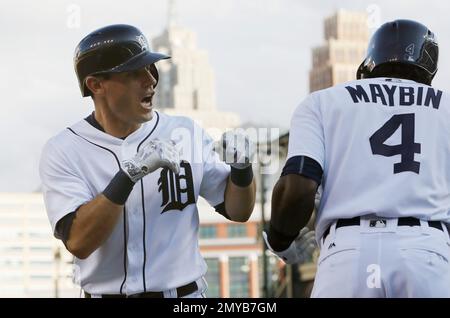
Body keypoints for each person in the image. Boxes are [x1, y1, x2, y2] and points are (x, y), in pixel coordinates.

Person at [39, 24, 256, 298]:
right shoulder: (64, 149)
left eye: (150, 69)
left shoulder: (184, 131)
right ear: (96, 84)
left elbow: (238, 210)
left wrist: (243, 170)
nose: (150, 80)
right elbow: (79, 242)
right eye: (133, 73)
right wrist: (128, 175)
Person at [263, 19, 450, 297]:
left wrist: (280, 239)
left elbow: (299, 188)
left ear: (370, 59)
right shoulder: (445, 105)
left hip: (347, 253)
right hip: (426, 249)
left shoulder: (323, 102)